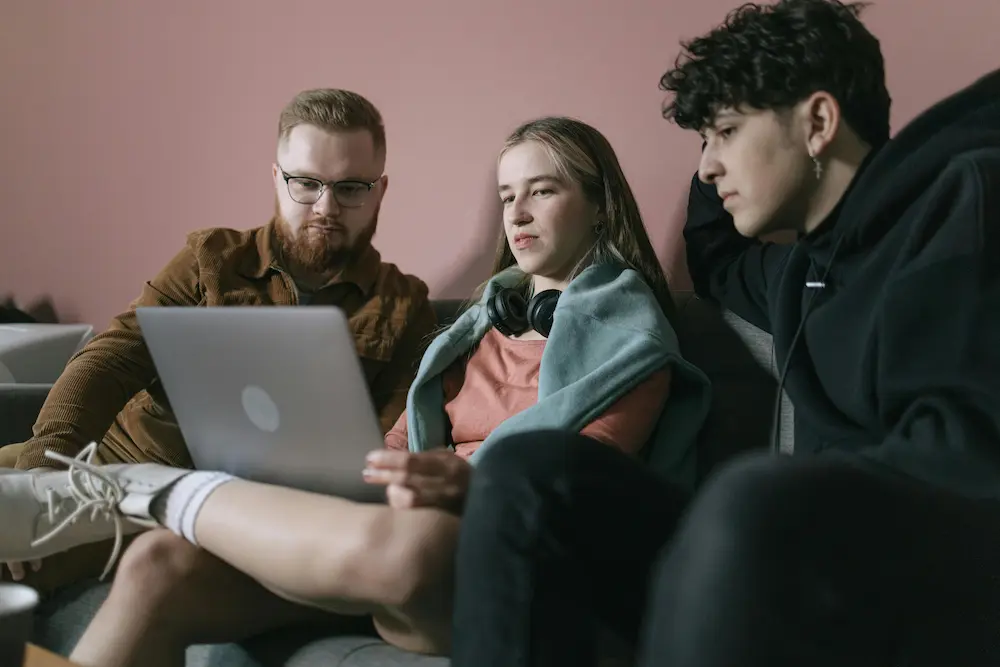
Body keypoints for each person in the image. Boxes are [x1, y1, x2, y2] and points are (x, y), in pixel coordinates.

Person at [0, 116, 711, 667]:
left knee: (415, 544)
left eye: (543, 191)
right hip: (391, 534)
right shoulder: (473, 328)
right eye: (506, 196)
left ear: (598, 205)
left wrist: (457, 479)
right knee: (161, 565)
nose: (517, 213)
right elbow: (396, 443)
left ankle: (144, 490)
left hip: (490, 554)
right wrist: (373, 472)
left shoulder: (631, 340)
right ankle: (147, 500)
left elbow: (577, 482)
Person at [446, 2, 1000, 666]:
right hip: (795, 558)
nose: (709, 166)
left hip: (936, 566)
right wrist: (716, 113)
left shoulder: (962, 202)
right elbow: (714, 252)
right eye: (705, 140)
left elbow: (964, 457)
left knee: (750, 495)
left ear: (818, 123)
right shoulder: (797, 273)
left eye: (728, 133)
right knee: (529, 471)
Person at [0, 88, 437, 591]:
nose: (326, 206)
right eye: (306, 183)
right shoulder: (211, 258)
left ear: (380, 190)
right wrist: (40, 478)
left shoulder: (405, 306)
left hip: (201, 512)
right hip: (102, 460)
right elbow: (109, 361)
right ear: (276, 178)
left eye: (351, 188)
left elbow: (387, 449)